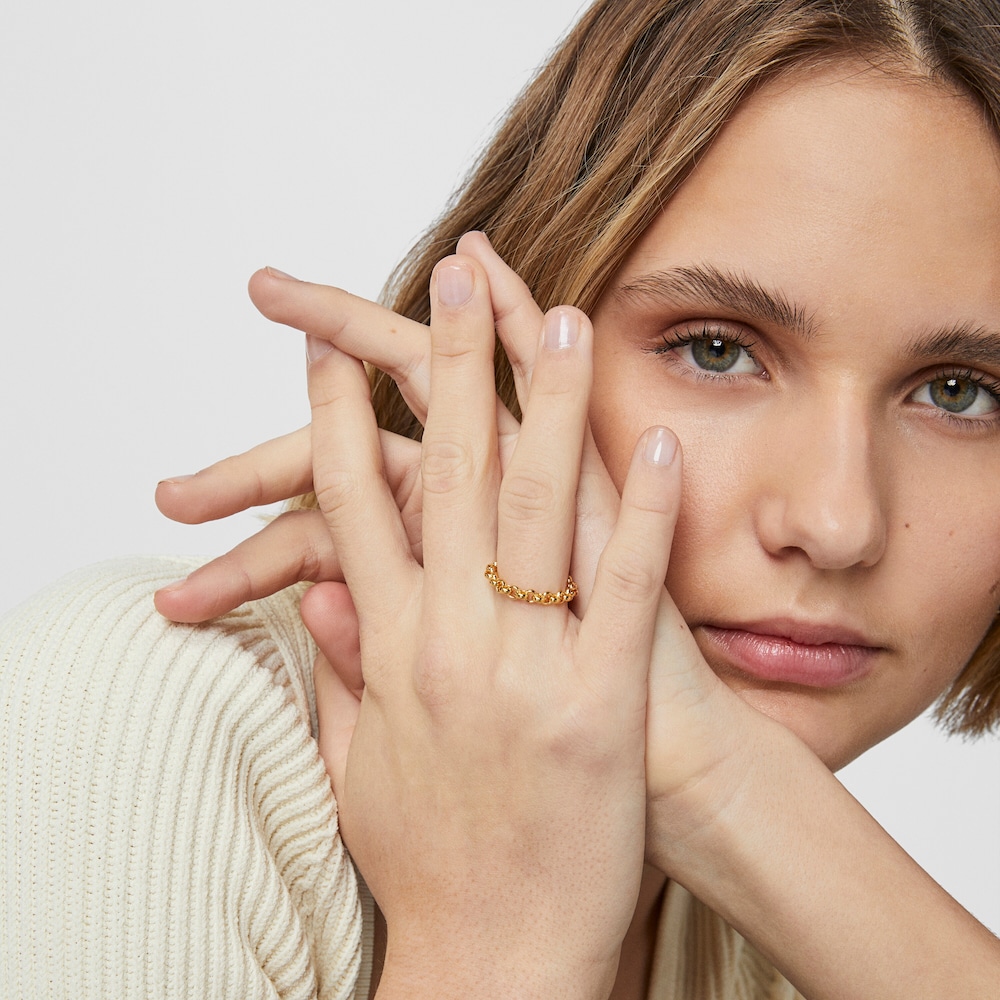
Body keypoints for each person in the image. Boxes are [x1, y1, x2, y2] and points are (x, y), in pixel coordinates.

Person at [3, 1, 1000, 997]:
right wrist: (495, 942)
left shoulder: (766, 926)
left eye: (958, 391)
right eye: (715, 350)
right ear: (512, 342)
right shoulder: (138, 726)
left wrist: (729, 793)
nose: (836, 523)